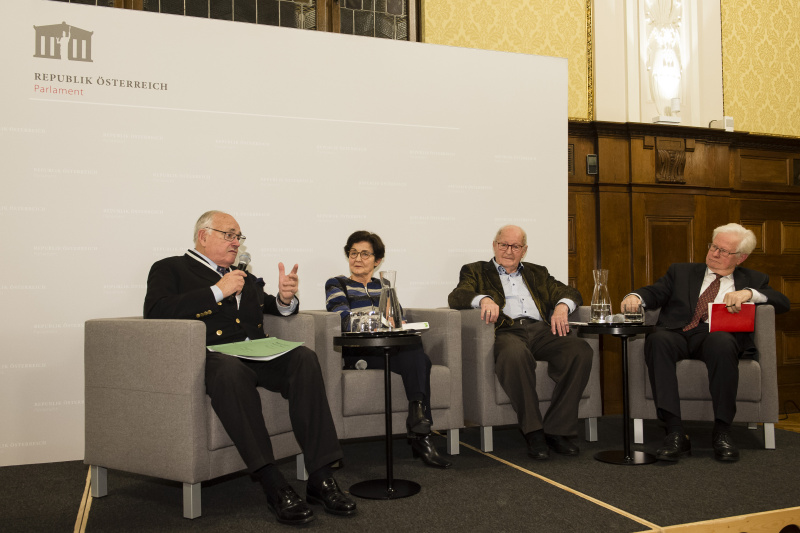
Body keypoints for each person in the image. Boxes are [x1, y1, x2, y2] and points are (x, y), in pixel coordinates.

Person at [144, 210, 356, 525]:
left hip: (257, 353)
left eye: (239, 236)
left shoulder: (245, 276)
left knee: (304, 357)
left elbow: (273, 307)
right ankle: (273, 483)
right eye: (229, 235)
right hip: (213, 358)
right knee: (231, 371)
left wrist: (286, 299)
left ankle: (321, 477)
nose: (236, 242)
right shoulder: (171, 268)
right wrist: (218, 291)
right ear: (204, 236)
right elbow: (156, 312)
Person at [620, 223, 790, 463]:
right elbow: (655, 292)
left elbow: (783, 302)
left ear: (741, 257)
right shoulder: (681, 272)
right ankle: (675, 432)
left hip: (715, 336)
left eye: (723, 251)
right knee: (657, 340)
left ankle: (722, 432)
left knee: (722, 342)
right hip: (677, 332)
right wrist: (634, 297)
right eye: (713, 247)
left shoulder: (754, 278)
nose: (714, 253)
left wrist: (749, 294)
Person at [448, 225, 593, 460]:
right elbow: (457, 296)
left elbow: (570, 292)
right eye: (504, 244)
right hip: (507, 330)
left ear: (524, 251)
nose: (508, 250)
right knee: (514, 355)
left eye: (515, 246)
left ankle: (557, 430)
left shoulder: (538, 272)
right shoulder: (475, 271)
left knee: (580, 350)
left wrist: (562, 306)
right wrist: (483, 299)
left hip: (542, 331)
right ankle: (534, 430)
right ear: (495, 245)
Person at [324, 230, 452, 469]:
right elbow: (341, 317)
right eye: (353, 253)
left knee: (416, 351)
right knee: (420, 360)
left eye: (364, 253)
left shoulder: (384, 285)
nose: (358, 258)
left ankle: (418, 422)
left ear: (378, 260)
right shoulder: (337, 283)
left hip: (388, 350)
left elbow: (397, 318)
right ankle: (421, 436)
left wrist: (396, 323)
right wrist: (377, 320)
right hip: (361, 352)